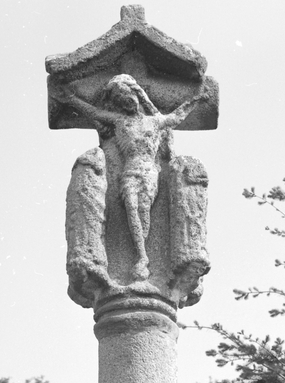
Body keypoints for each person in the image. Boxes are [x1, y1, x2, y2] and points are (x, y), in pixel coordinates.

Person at [55, 74, 208, 280]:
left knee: (143, 209)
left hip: (149, 173)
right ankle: (142, 255)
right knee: (131, 207)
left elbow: (177, 116)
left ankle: (142, 255)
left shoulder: (155, 121)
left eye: (128, 96)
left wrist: (197, 99)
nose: (126, 101)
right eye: (120, 99)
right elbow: (94, 112)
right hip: (129, 171)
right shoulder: (119, 121)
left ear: (137, 96)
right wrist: (71, 99)